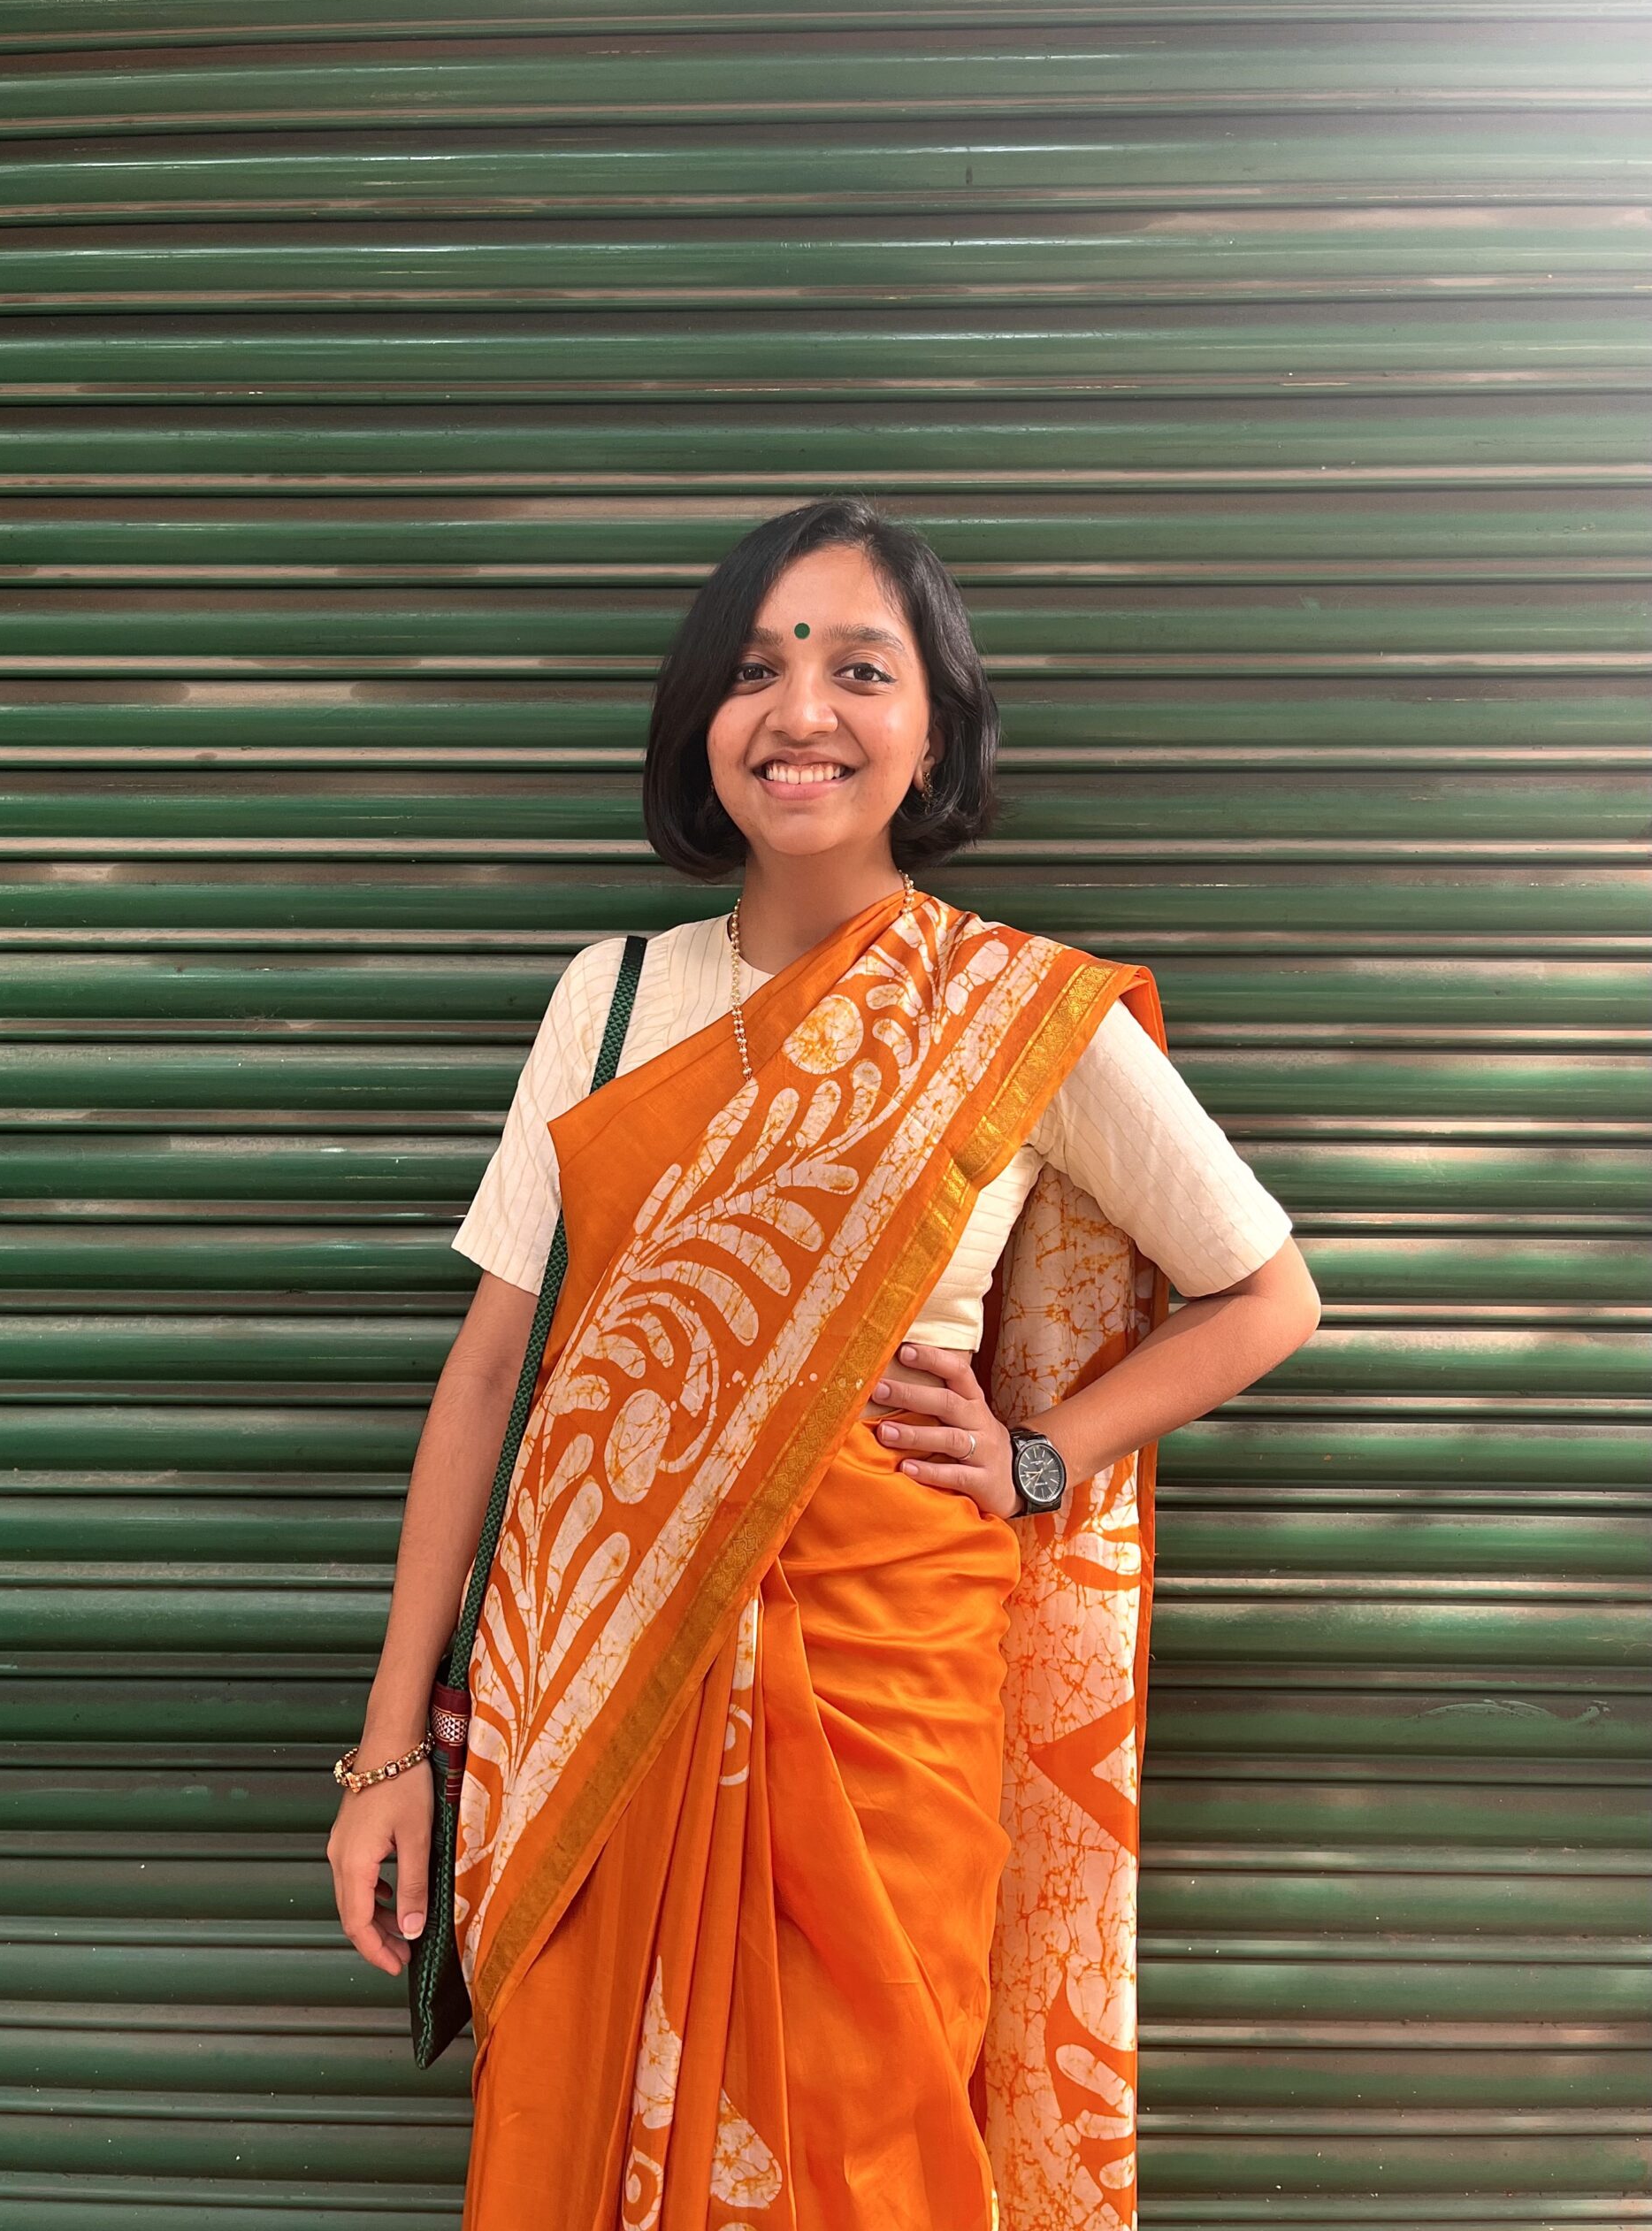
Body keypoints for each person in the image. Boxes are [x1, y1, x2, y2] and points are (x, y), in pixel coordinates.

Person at [327, 496, 1322, 2231]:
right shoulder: (612, 997)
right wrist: (389, 1750)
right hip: (594, 1706)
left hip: (887, 1706)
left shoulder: (1010, 1012)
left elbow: (1267, 1292)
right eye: (757, 667)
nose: (801, 711)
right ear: (700, 719)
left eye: (861, 668)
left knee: (876, 2158)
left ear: (931, 726)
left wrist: (1040, 1452)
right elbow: (489, 1377)